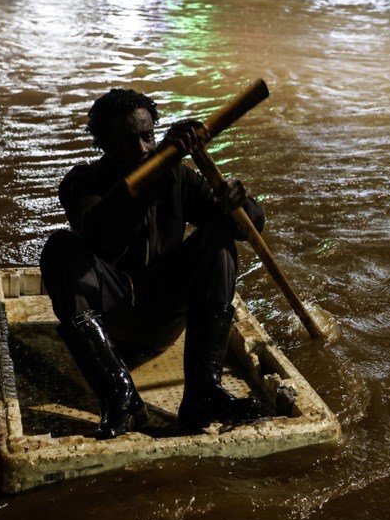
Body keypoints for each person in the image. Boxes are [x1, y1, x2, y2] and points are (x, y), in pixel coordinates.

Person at [40, 89, 265, 439]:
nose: (142, 149)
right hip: (111, 323)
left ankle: (203, 392)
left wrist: (239, 203)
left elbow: (243, 229)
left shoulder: (178, 178)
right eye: (126, 141)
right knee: (59, 248)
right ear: (103, 145)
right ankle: (121, 398)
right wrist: (158, 164)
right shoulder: (81, 183)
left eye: (148, 137)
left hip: (162, 317)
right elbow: (102, 232)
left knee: (218, 236)